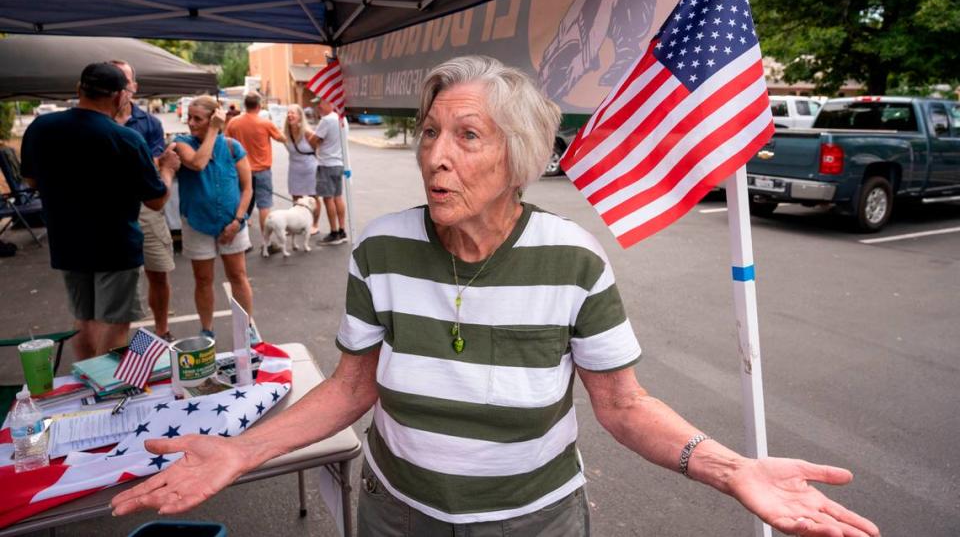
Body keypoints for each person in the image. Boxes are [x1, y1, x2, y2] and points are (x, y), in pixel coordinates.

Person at [111, 57, 879, 537]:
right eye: (429, 133)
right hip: (395, 513)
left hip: (532, 521)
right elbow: (353, 386)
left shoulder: (573, 260)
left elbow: (622, 406)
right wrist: (240, 452)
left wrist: (728, 467)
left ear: (520, 158)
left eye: (467, 137)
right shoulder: (380, 248)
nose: (436, 156)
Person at [20, 62, 179, 360]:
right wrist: (168, 170)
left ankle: (86, 390)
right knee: (115, 322)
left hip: (67, 240)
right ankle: (108, 390)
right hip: (115, 245)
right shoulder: (126, 139)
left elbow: (31, 178)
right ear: (120, 97)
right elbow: (156, 201)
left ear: (79, 90)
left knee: (84, 319)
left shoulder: (41, 128)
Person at [170, 96, 254, 339]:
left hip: (232, 222)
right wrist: (214, 130)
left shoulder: (231, 147)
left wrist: (238, 221)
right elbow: (198, 163)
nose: (191, 123)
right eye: (190, 118)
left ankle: (246, 328)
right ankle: (207, 330)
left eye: (198, 119)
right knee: (203, 278)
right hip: (198, 222)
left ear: (211, 119)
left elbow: (247, 188)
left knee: (238, 275)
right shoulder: (181, 143)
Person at [111, 59, 176, 342]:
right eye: (113, 81)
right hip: (110, 211)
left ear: (134, 87)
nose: (120, 88)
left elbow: (150, 165)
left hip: (146, 207)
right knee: (118, 279)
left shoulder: (149, 123)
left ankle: (162, 329)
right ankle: (118, 340)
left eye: (124, 81)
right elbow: (149, 166)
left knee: (158, 271)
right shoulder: (96, 119)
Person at [224, 93, 284, 240]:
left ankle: (240, 239)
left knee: (240, 204)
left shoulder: (233, 122)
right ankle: (266, 242)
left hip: (240, 170)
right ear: (259, 106)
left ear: (245, 105)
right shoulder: (265, 123)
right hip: (262, 170)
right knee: (264, 205)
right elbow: (282, 138)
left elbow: (225, 141)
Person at [312, 96, 347, 245]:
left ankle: (334, 232)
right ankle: (342, 230)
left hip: (326, 163)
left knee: (328, 199)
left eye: (320, 103)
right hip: (339, 163)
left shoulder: (326, 120)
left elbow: (314, 140)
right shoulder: (342, 119)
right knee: (338, 197)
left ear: (330, 103)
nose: (318, 107)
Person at [281, 104, 322, 234]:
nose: (290, 115)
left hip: (310, 168)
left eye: (293, 113)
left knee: (313, 197)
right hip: (294, 169)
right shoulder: (285, 134)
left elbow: (318, 150)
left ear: (300, 116)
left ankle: (314, 224)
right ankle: (296, 224)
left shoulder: (308, 133)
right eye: (288, 113)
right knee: (296, 198)